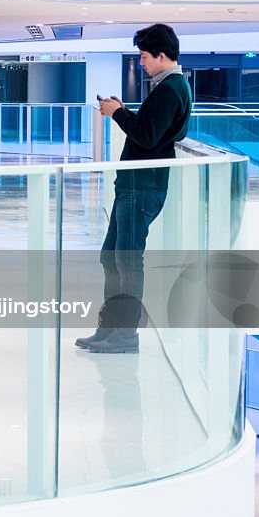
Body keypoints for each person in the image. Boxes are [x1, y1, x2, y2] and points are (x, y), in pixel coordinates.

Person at [76, 23, 192, 354]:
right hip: (136, 185)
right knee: (111, 257)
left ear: (161, 55)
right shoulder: (170, 87)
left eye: (143, 57)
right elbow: (158, 131)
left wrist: (118, 113)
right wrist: (124, 112)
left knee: (126, 261)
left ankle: (125, 335)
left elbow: (146, 135)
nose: (140, 63)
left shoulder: (171, 88)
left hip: (142, 187)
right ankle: (110, 328)